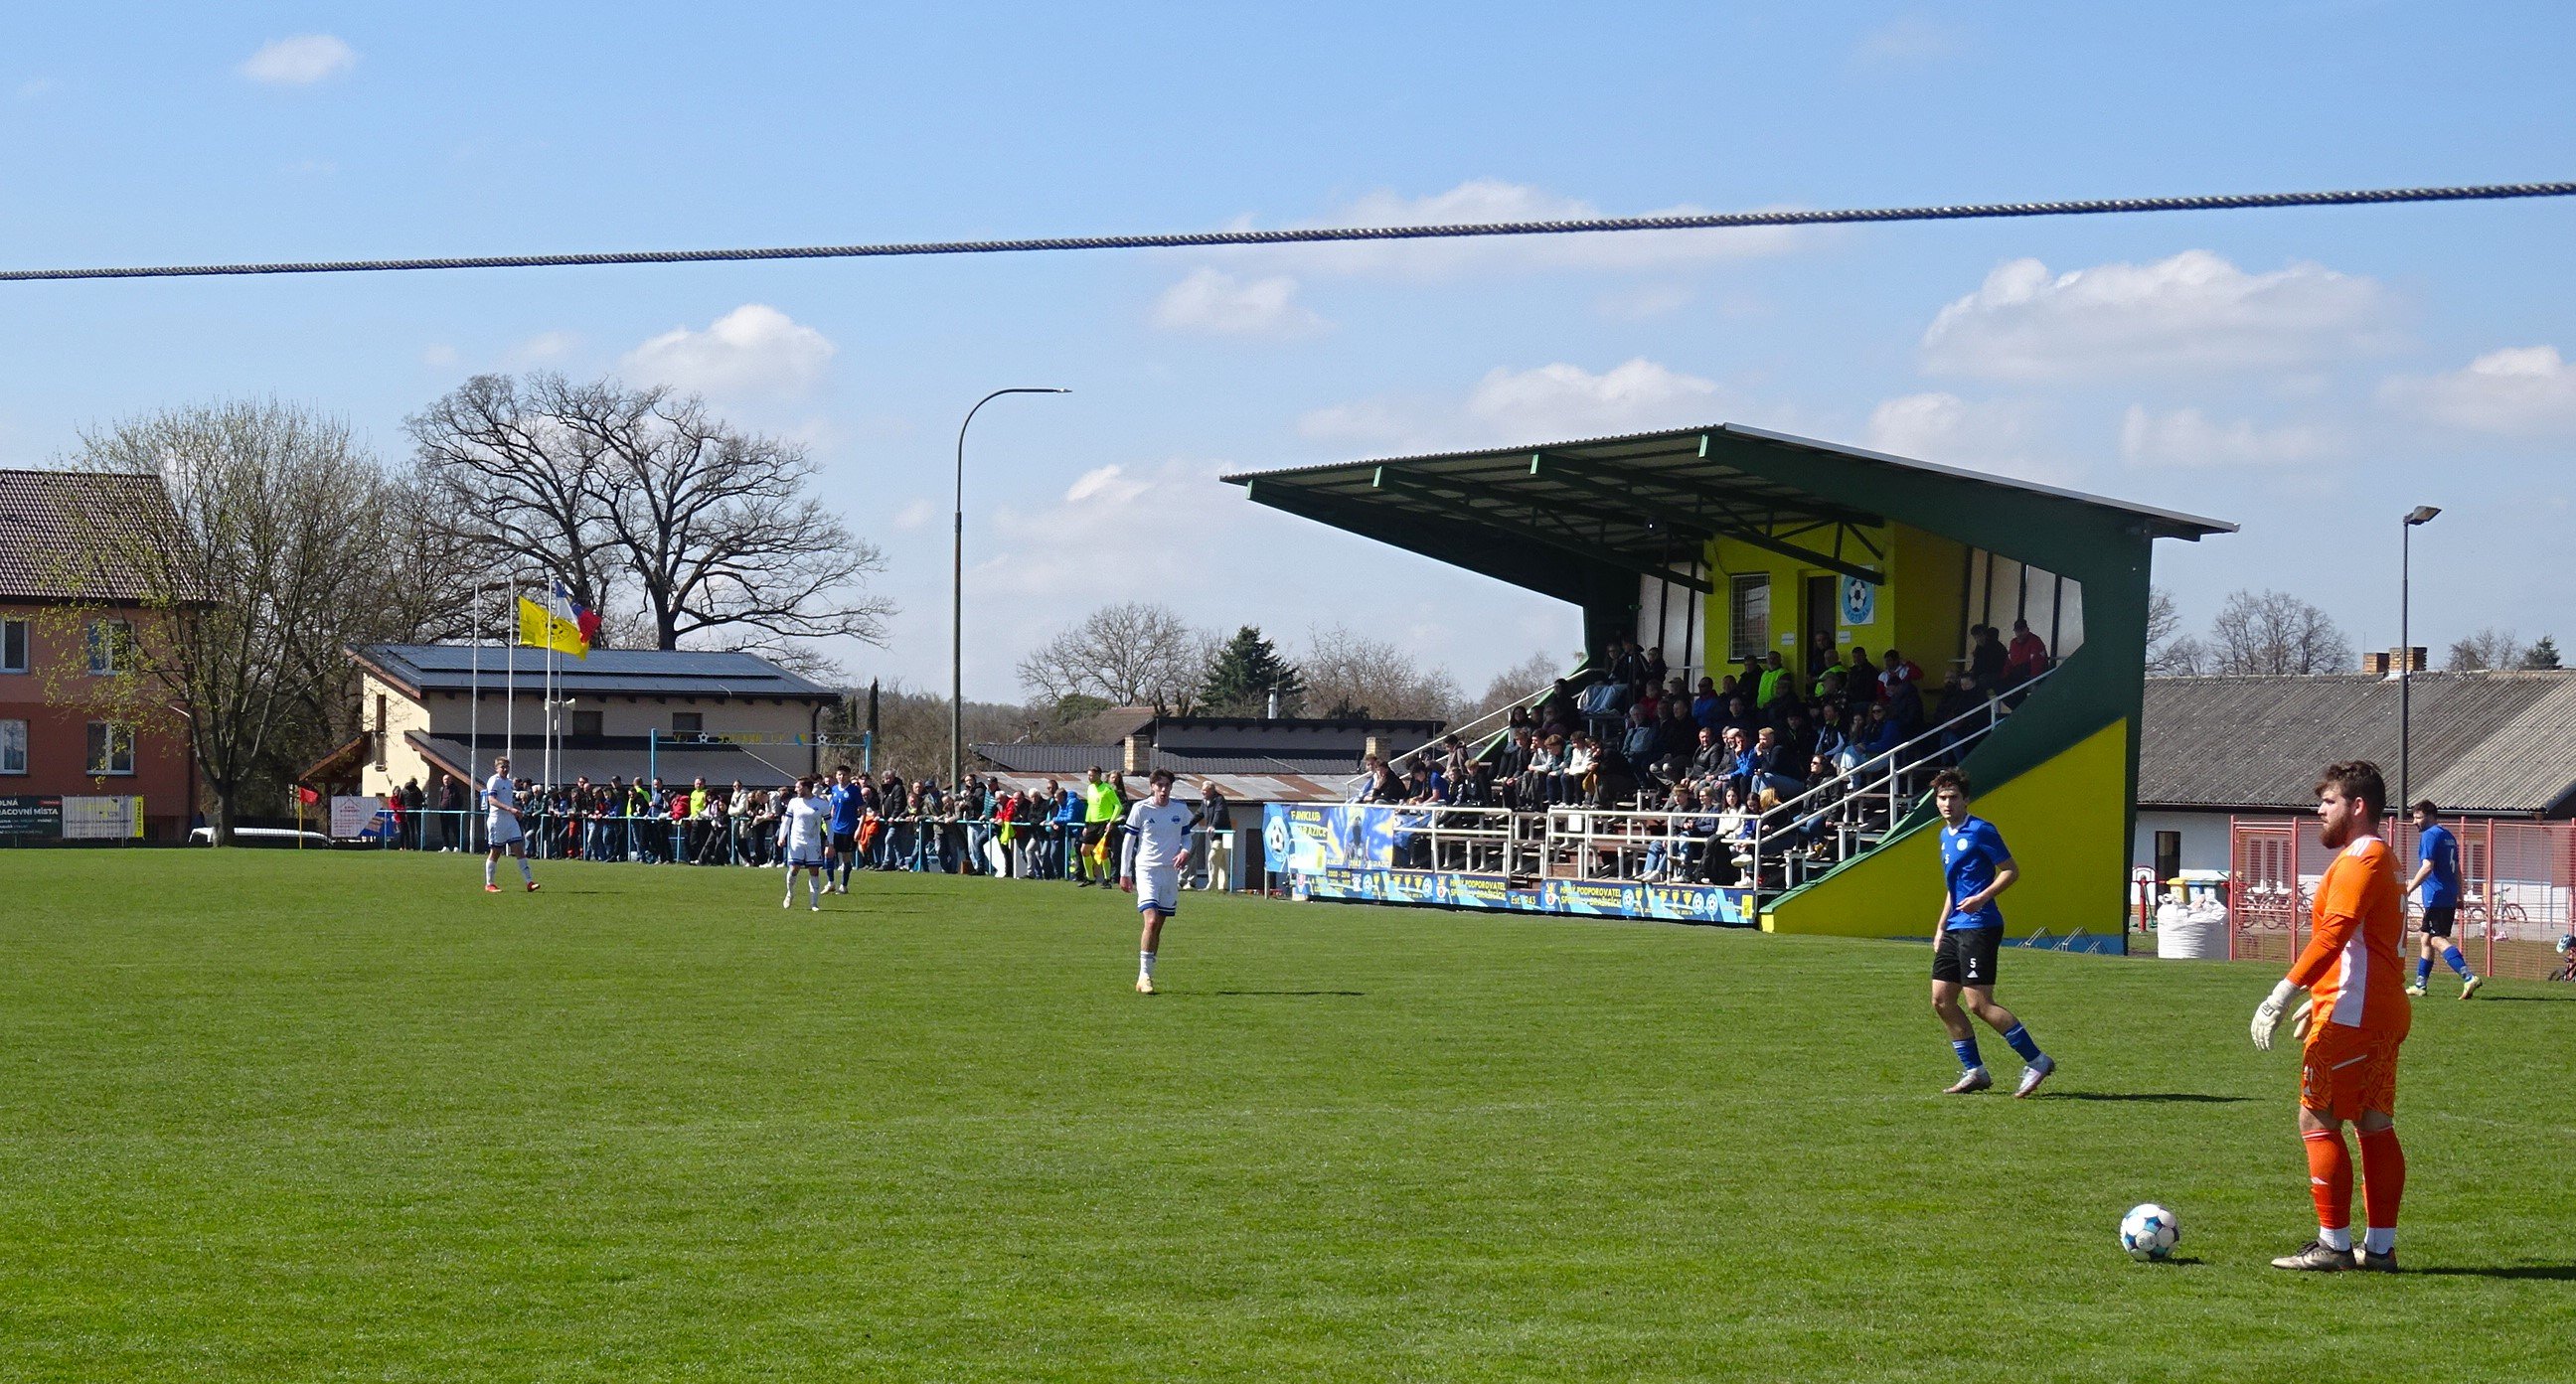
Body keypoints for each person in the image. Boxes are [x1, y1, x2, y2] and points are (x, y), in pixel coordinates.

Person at [2251, 760, 2411, 1272]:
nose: (2319, 811)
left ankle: (2334, 1246)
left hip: (2353, 1011)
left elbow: (2334, 934)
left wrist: (2282, 993)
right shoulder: (2384, 857)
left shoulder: (2361, 859)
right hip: (2375, 1007)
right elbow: (2365, 945)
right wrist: (2317, 998)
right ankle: (2379, 1250)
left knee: (2317, 1116)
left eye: (2328, 802)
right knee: (2373, 1122)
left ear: (2357, 806)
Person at [1926, 768, 2051, 1097]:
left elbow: (2010, 870)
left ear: (1966, 799)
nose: (1948, 803)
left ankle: (2037, 1060)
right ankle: (1975, 1071)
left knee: (1979, 1003)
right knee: (1941, 1000)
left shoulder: (1981, 830)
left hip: (1980, 926)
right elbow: (1954, 887)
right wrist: (1941, 926)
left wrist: (1982, 898)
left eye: (1954, 797)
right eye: (1942, 797)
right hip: (1955, 927)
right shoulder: (1944, 836)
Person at [1119, 768, 1195, 995]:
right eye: (1159, 785)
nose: (1163, 790)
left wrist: (1185, 851)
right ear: (1152, 786)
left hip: (1169, 873)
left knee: (1157, 927)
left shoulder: (1180, 809)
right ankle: (1144, 975)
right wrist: (1124, 873)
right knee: (1150, 922)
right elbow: (1129, 841)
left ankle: (1147, 976)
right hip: (1147, 870)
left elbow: (1187, 837)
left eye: (1167, 786)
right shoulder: (1141, 808)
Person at [2403, 801, 2482, 1000]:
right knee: (2425, 938)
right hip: (2447, 895)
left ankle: (2468, 976)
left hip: (2436, 897)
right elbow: (2457, 870)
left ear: (2430, 816)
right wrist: (2460, 896)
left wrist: (2408, 889)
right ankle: (2420, 985)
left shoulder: (2429, 835)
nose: (2414, 822)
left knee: (2436, 939)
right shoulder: (2448, 835)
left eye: (2418, 817)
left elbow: (2427, 866)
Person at [480, 755, 539, 894]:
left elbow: (508, 800)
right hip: (497, 820)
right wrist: (509, 809)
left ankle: (529, 882)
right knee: (496, 852)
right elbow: (492, 800)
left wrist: (516, 809)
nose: (505, 769)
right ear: (496, 768)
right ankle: (489, 884)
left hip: (510, 821)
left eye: (507, 767)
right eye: (503, 767)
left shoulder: (508, 782)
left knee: (519, 849)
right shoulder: (494, 780)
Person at [777, 775, 829, 910]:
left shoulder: (821, 804)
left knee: (814, 871)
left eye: (798, 787)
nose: (795, 790)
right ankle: (790, 893)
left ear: (806, 788)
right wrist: (782, 837)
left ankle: (814, 903)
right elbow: (787, 821)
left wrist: (830, 843)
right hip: (796, 841)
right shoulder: (794, 802)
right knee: (794, 869)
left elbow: (829, 824)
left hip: (813, 843)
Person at [1189, 778, 1232, 891]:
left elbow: (1219, 813)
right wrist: (1187, 826)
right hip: (1213, 836)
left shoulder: (1219, 799)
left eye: (1205, 791)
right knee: (1221, 860)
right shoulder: (1204, 801)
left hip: (1223, 835)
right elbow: (1199, 814)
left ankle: (1211, 885)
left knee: (1212, 857)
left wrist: (1213, 825)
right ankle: (1223, 887)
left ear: (1212, 791)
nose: (1202, 792)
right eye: (1202, 790)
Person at [826, 767, 864, 894]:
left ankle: (844, 885)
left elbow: (863, 810)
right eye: (839, 775)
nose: (841, 777)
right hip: (834, 828)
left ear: (848, 776)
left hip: (848, 828)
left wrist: (859, 828)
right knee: (828, 853)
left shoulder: (854, 790)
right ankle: (830, 883)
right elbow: (833, 807)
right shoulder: (834, 789)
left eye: (844, 775)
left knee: (846, 857)